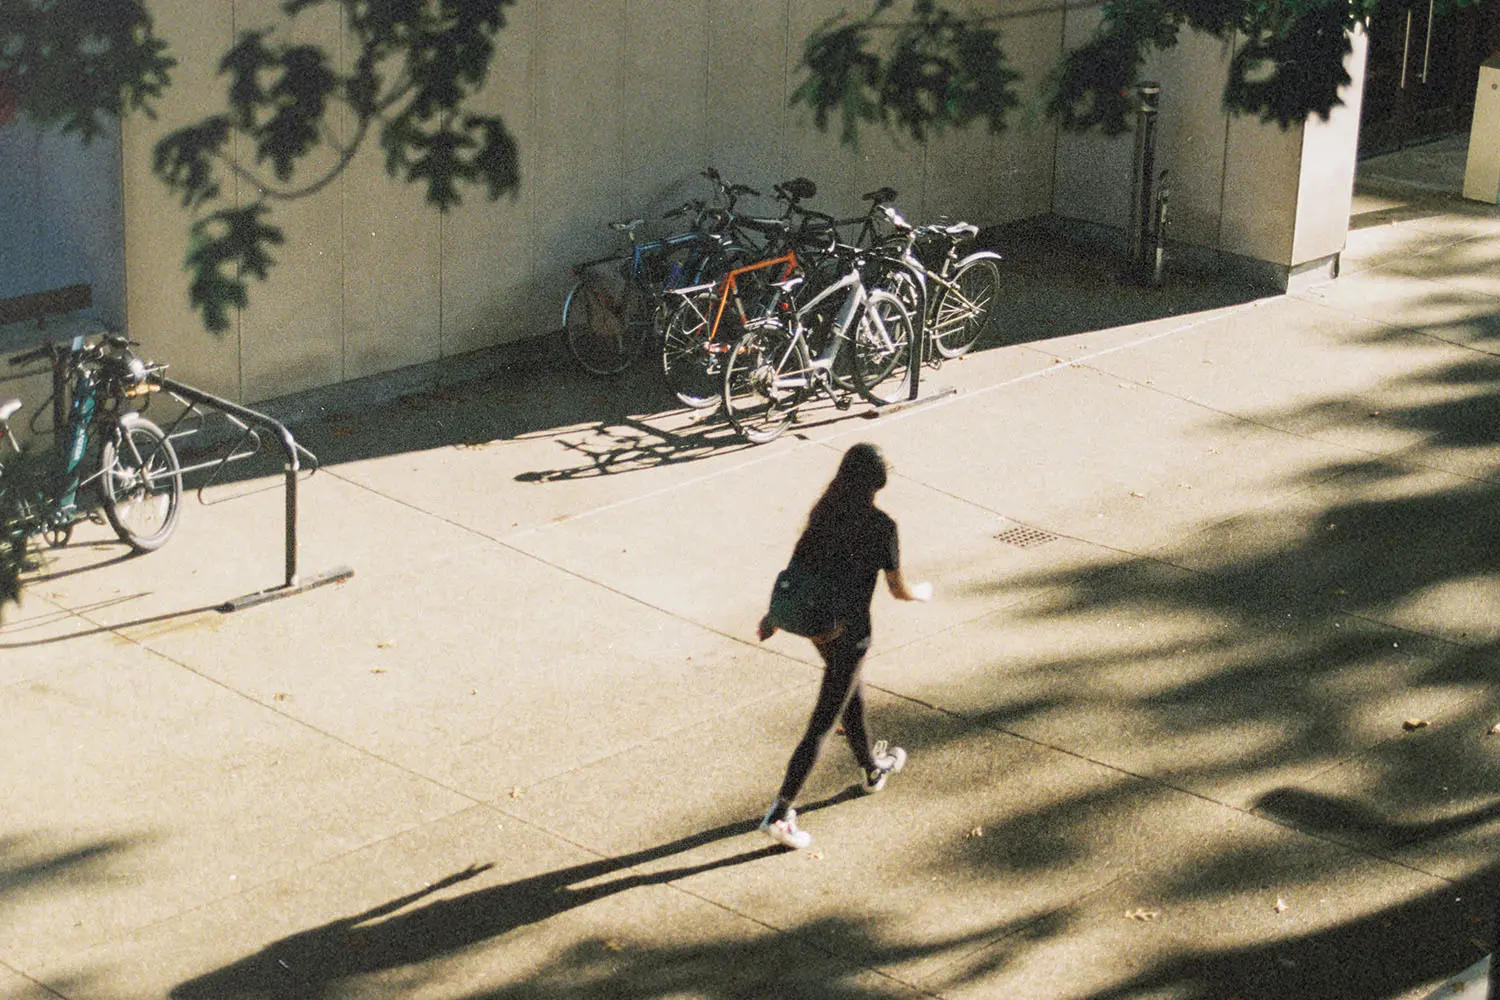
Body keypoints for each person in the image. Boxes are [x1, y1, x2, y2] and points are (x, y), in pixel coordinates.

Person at [756, 442, 932, 850]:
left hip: (821, 630)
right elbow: (897, 589)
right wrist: (920, 592)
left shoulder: (824, 514)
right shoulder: (882, 526)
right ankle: (780, 812)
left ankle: (871, 769)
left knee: (849, 695)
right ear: (878, 482)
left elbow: (797, 569)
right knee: (821, 724)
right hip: (851, 633)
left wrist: (774, 616)